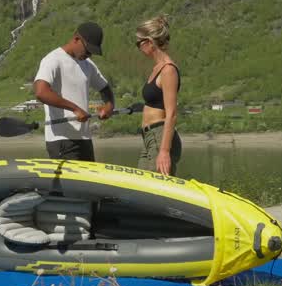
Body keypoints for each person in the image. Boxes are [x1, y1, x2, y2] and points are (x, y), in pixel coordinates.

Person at [33, 22, 115, 161]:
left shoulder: (88, 65)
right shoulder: (53, 59)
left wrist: (109, 105)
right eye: (88, 50)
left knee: (88, 183)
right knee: (68, 183)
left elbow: (105, 88)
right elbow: (41, 92)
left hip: (84, 138)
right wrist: (75, 109)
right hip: (62, 141)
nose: (89, 55)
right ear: (76, 39)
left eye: (92, 52)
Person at [135, 16, 181, 175]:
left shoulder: (168, 70)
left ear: (149, 42)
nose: (138, 47)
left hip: (160, 137)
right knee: (140, 187)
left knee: (155, 189)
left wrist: (164, 151)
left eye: (138, 43)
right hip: (149, 138)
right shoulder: (157, 68)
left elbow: (172, 113)